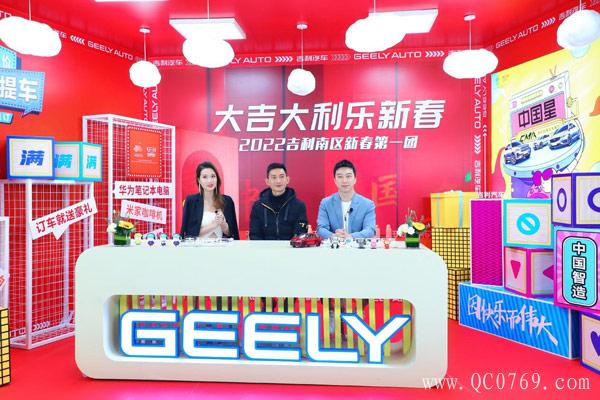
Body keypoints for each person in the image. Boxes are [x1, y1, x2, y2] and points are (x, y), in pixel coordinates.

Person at [317, 159, 376, 239]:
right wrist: (334, 236)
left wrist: (351, 236)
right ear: (335, 180)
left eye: (348, 176)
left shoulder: (367, 204)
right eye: (340, 177)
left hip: (358, 246)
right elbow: (321, 229)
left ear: (355, 179)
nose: (344, 181)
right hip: (334, 245)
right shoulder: (326, 203)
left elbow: (370, 230)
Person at [180, 161, 239, 239]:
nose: (210, 181)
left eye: (213, 176)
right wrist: (214, 225)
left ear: (217, 178)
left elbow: (232, 233)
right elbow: (189, 233)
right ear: (199, 180)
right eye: (205, 177)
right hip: (198, 246)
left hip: (222, 246)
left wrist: (223, 224)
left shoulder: (227, 201)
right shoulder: (191, 201)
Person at [249, 162, 308, 240]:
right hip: (264, 247)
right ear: (267, 181)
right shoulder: (258, 206)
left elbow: (300, 234)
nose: (278, 181)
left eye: (281, 177)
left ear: (287, 180)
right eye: (274, 177)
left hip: (290, 247)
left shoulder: (299, 206)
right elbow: (255, 235)